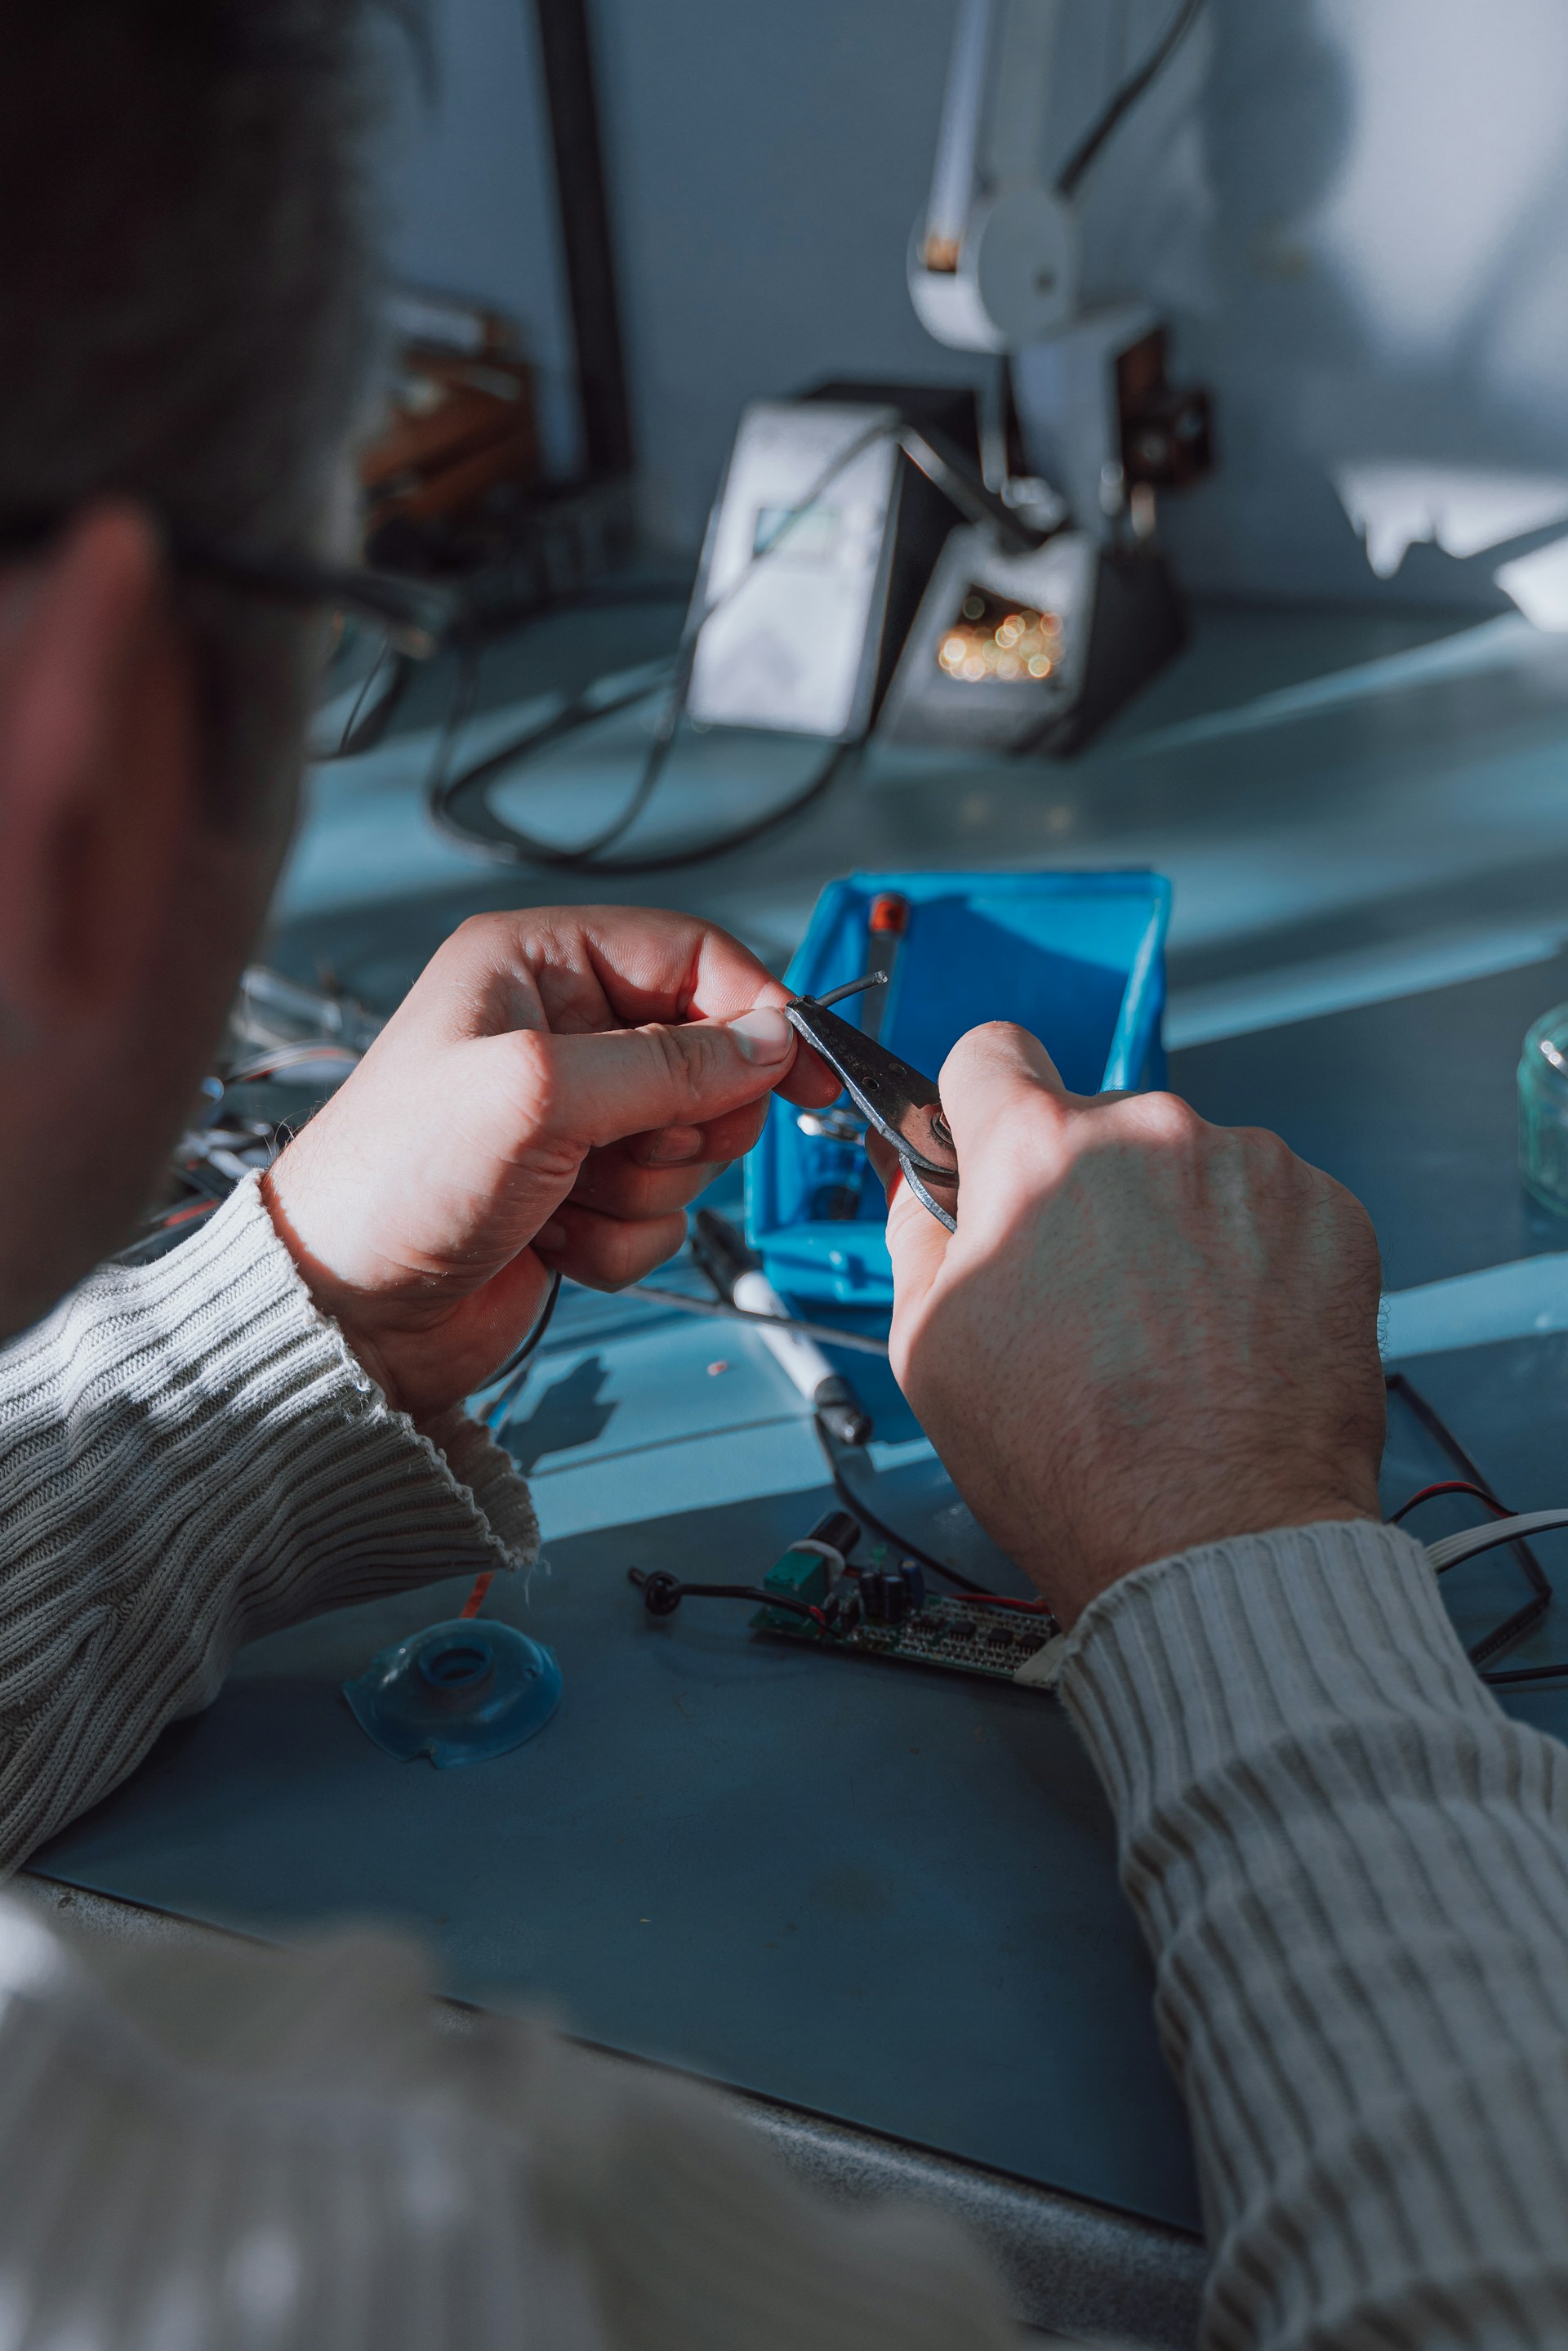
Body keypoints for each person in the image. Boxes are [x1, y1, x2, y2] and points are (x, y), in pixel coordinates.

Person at [1, 3, 1567, 2344]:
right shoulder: (386, 2257)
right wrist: (1231, 1535)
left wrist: (300, 1311)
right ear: (94, 754)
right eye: (337, 621)